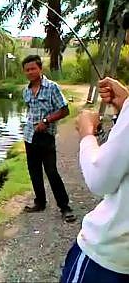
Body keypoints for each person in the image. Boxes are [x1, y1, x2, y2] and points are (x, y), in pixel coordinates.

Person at [61, 77, 129, 282]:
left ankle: (64, 206)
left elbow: (100, 180)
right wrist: (124, 109)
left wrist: (87, 133)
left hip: (109, 258)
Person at [21, 55, 76, 223]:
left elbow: (65, 110)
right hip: (30, 136)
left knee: (51, 172)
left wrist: (46, 121)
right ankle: (40, 203)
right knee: (34, 171)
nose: (30, 72)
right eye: (27, 69)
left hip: (46, 137)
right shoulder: (26, 91)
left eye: (33, 68)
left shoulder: (52, 88)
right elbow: (30, 110)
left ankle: (65, 207)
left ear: (40, 69)